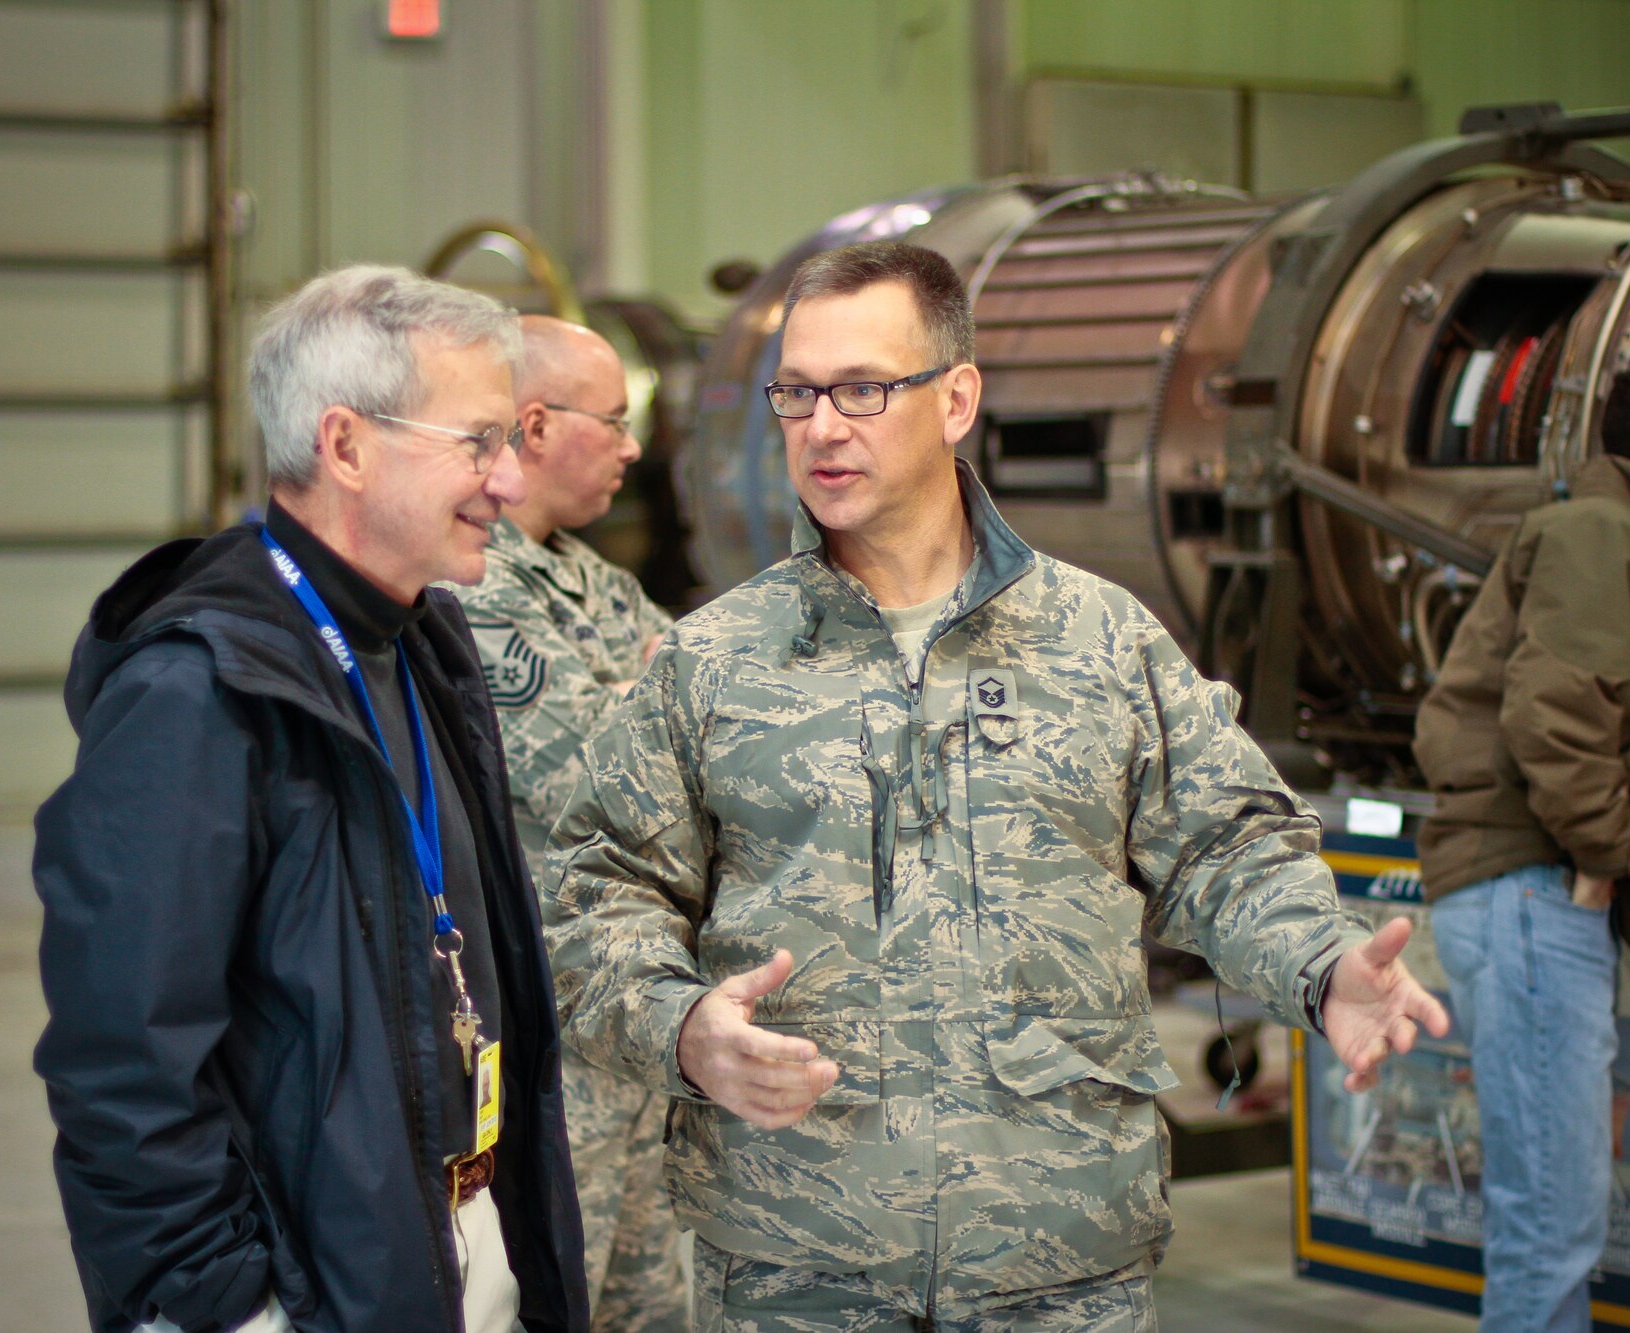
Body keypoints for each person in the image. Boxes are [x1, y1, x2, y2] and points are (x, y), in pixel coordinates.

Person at [539, 240, 1448, 1330]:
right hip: (792, 1268)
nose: (822, 425)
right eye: (797, 393)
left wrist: (1319, 961)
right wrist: (679, 1027)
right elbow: (597, 893)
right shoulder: (714, 662)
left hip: (1056, 1261)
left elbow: (1225, 846)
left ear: (956, 397)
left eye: (863, 388)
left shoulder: (1098, 641)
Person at [32, 265, 588, 1333]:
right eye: (477, 441)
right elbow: (122, 1066)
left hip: (447, 1249)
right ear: (344, 445)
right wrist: (222, 1307)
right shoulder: (192, 694)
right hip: (300, 1289)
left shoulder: (420, 641)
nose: (510, 481)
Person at [1415, 361, 1630, 1332]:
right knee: (1550, 1227)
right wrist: (1602, 863)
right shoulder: (1603, 534)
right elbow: (1553, 718)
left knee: (1552, 1218)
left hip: (1537, 896)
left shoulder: (1624, 538)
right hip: (1538, 891)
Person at [453, 315, 685, 1331]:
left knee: (643, 1300)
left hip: (637, 1013)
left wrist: (648, 703)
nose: (633, 447)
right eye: (614, 421)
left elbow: (716, 713)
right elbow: (603, 777)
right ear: (536, 426)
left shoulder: (589, 577)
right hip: (552, 1030)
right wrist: (650, 709)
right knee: (553, 1296)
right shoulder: (474, 586)